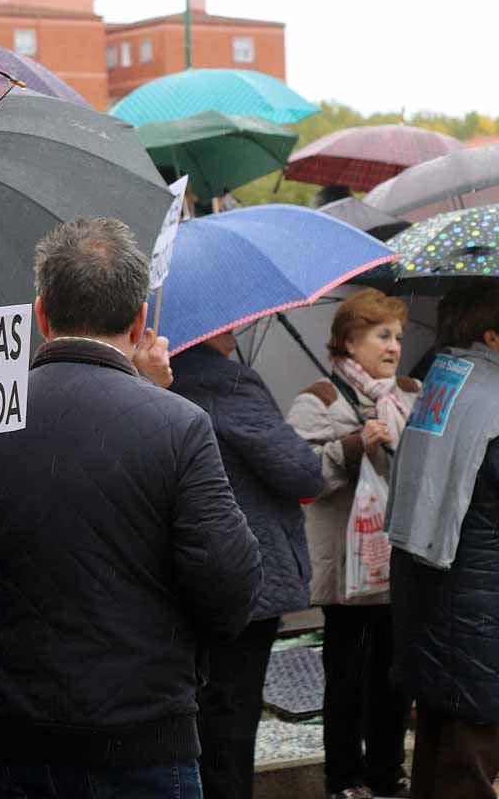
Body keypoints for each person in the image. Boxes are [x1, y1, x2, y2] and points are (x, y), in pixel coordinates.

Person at [0, 217, 262, 799]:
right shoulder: (177, 425)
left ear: (42, 315)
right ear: (141, 320)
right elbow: (230, 584)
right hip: (142, 733)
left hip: (8, 733)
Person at [387, 285, 499, 799]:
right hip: (479, 596)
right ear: (489, 335)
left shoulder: (446, 378)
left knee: (439, 733)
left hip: (430, 582)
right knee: (474, 742)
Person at [170, 331, 324, 799]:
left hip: (182, 574)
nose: (235, 336)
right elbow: (301, 471)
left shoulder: (157, 380)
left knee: (197, 708)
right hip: (247, 573)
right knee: (232, 713)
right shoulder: (227, 382)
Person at [286, 288, 420, 799]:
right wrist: (349, 446)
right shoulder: (317, 400)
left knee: (395, 675)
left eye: (398, 337)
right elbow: (299, 478)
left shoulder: (409, 393)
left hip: (398, 561)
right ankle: (344, 778)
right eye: (382, 335)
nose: (393, 347)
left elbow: (431, 472)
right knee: (347, 677)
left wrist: (398, 443)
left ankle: (389, 772)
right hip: (346, 570)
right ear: (348, 341)